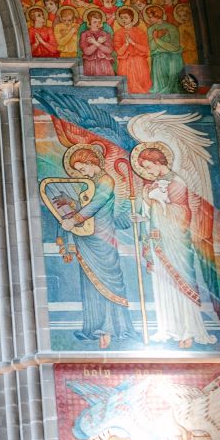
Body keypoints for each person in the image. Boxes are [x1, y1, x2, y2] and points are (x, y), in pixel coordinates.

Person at [52, 146, 136, 349]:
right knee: (91, 282)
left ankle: (112, 327)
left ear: (92, 162)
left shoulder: (106, 181)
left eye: (83, 169)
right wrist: (70, 202)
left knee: (109, 280)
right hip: (87, 237)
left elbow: (96, 204)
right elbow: (86, 203)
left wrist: (74, 220)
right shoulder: (90, 183)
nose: (82, 173)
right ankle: (95, 325)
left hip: (102, 237)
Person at [134, 145, 216, 347]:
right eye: (143, 168)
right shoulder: (154, 185)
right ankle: (168, 327)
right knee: (162, 284)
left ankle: (189, 330)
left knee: (182, 283)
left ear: (158, 162)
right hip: (159, 240)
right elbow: (156, 212)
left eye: (148, 166)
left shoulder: (177, 181)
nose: (147, 171)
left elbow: (181, 214)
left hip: (176, 242)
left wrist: (154, 202)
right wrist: (144, 216)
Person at [113, 6, 151, 93]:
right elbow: (119, 51)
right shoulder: (118, 33)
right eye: (121, 18)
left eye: (125, 17)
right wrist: (126, 44)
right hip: (125, 62)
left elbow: (145, 49)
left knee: (142, 84)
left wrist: (133, 43)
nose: (123, 20)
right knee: (127, 86)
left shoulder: (140, 32)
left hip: (139, 61)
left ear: (131, 18)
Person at [146, 5, 183, 93]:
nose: (149, 19)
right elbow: (152, 47)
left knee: (171, 86)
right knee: (159, 87)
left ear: (157, 16)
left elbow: (175, 47)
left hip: (172, 59)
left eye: (151, 17)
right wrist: (156, 39)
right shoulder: (151, 29)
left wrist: (157, 40)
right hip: (158, 59)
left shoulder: (171, 28)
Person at [79, 9, 114, 76]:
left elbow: (109, 50)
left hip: (104, 63)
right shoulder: (85, 34)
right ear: (89, 22)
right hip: (90, 63)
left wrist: (95, 42)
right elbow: (87, 51)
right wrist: (98, 42)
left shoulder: (104, 34)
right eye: (95, 22)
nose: (97, 24)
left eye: (99, 22)